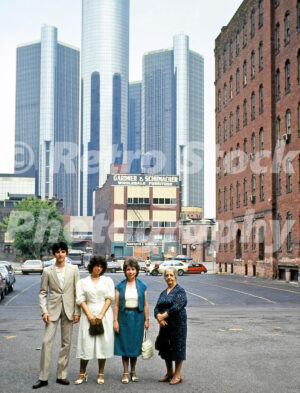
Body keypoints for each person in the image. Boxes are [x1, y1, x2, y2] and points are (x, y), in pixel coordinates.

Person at [32, 242, 81, 389]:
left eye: (63, 252)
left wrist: (77, 312)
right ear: (54, 254)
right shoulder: (47, 271)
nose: (60, 254)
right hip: (52, 311)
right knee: (46, 342)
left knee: (66, 344)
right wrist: (44, 311)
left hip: (69, 309)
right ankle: (43, 377)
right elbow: (42, 293)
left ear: (66, 253)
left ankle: (61, 375)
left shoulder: (74, 269)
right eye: (58, 252)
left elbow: (77, 292)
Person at [75, 255, 115, 385]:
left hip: (104, 314)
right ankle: (82, 373)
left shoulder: (107, 280)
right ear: (91, 266)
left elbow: (109, 298)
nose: (98, 268)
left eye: (101, 266)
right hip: (88, 313)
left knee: (102, 344)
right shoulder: (82, 282)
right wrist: (90, 316)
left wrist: (101, 315)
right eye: (96, 266)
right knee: (86, 343)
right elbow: (81, 299)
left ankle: (101, 373)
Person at [113, 258, 149, 383]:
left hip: (138, 318)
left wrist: (147, 320)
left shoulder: (142, 285)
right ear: (125, 271)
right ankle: (125, 372)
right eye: (128, 269)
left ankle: (133, 371)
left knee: (135, 346)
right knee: (124, 345)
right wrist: (115, 321)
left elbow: (145, 304)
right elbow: (116, 305)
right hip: (124, 317)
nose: (131, 272)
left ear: (137, 270)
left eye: (133, 269)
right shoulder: (119, 286)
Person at [154, 267, 187, 385]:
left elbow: (177, 306)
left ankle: (178, 375)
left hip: (177, 324)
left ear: (175, 277)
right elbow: (157, 307)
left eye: (171, 275)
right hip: (165, 325)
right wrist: (158, 317)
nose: (169, 278)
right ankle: (169, 373)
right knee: (166, 349)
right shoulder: (163, 292)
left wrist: (164, 316)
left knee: (178, 348)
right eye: (166, 275)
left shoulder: (180, 291)